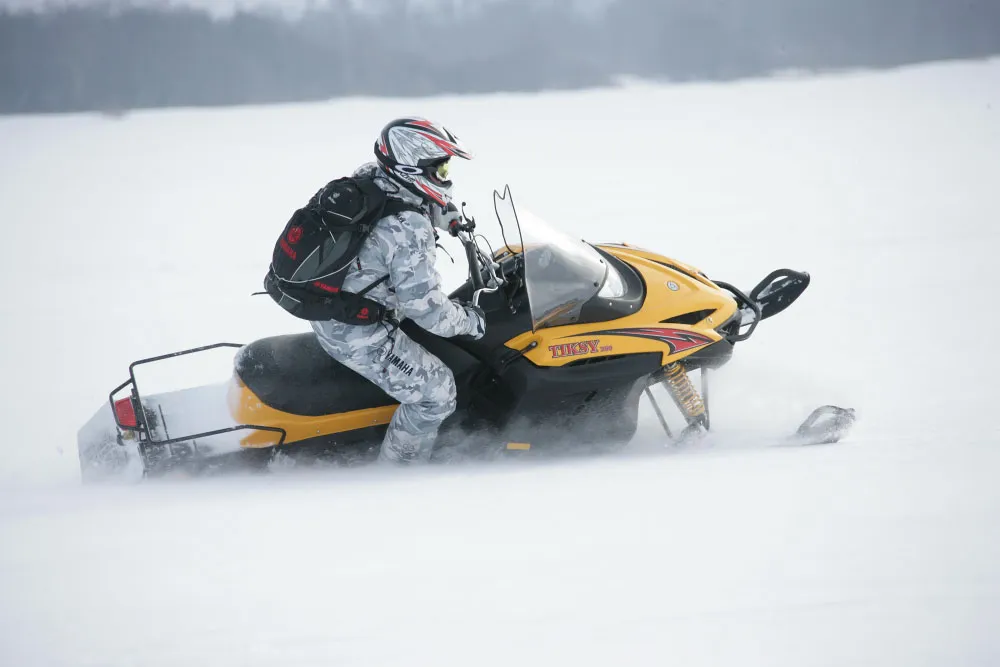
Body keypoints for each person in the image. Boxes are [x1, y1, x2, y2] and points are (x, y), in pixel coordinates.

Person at [310, 118, 486, 464]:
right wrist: (471, 322)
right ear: (411, 167)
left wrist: (443, 214)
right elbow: (429, 313)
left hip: (338, 306)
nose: (445, 176)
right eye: (440, 169)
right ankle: (398, 475)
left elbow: (399, 204)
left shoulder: (371, 178)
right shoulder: (409, 230)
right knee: (437, 393)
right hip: (356, 333)